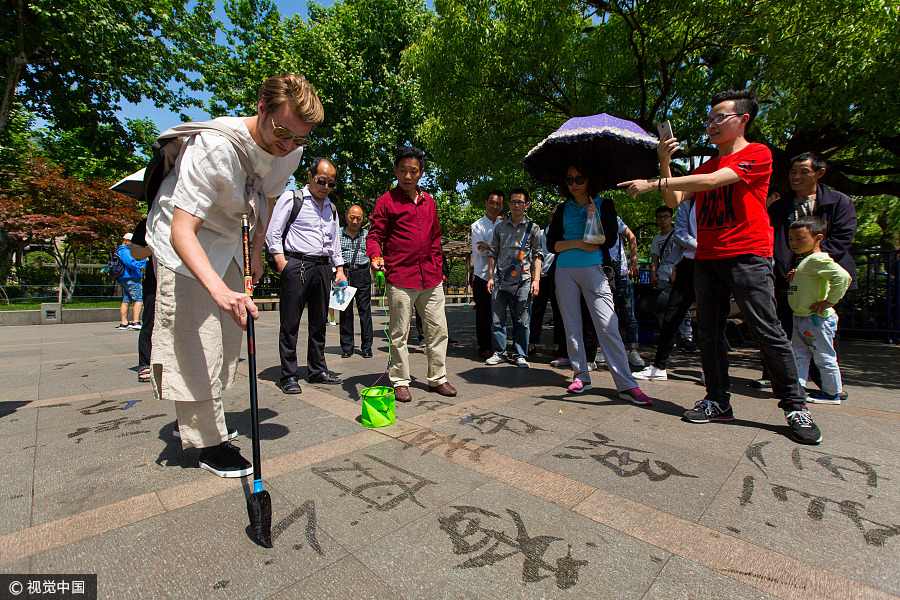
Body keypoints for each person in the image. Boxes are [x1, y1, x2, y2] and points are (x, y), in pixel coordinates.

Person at [619, 88, 823, 445]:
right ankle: (717, 399)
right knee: (709, 332)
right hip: (707, 258)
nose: (711, 125)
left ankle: (795, 404)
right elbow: (676, 198)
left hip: (748, 255)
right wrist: (664, 163)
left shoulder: (758, 154)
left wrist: (653, 182)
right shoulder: (706, 164)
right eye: (708, 120)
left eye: (719, 118)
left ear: (743, 120)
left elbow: (714, 182)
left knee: (766, 329)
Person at [146, 73, 324, 477]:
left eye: (299, 139)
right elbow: (181, 231)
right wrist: (220, 292)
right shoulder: (214, 146)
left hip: (231, 239)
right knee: (198, 341)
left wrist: (257, 252)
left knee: (227, 341)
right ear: (261, 107)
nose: (288, 146)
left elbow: (271, 197)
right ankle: (209, 443)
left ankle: (195, 419)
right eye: (281, 132)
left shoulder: (290, 150)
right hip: (185, 240)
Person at [545, 164, 651, 405]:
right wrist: (578, 243)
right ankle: (581, 375)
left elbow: (608, 240)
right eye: (569, 179)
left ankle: (627, 384)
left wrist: (594, 216)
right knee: (572, 326)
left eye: (579, 178)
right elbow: (553, 245)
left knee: (608, 325)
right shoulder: (563, 209)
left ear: (590, 179)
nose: (574, 184)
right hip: (564, 271)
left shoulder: (605, 205)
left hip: (595, 269)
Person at [761, 152, 857, 396]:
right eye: (793, 172)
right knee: (789, 333)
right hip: (789, 279)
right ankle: (793, 384)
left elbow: (842, 239)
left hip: (823, 278)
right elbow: (774, 241)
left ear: (819, 173)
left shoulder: (838, 202)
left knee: (822, 335)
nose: (796, 177)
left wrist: (810, 264)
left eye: (804, 171)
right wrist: (784, 270)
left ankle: (830, 386)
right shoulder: (780, 207)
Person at [367, 145, 457, 403]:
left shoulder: (429, 201)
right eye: (403, 170)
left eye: (413, 171)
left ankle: (438, 378)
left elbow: (436, 237)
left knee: (438, 329)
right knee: (398, 333)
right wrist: (375, 257)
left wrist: (439, 268)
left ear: (421, 173)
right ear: (395, 170)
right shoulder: (386, 201)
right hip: (400, 277)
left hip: (430, 277)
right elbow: (375, 235)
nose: (408, 176)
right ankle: (400, 380)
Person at [266, 157, 346, 394]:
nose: (326, 187)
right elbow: (273, 232)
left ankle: (317, 369)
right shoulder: (293, 199)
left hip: (323, 268)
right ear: (310, 177)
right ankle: (289, 375)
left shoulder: (331, 207)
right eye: (322, 181)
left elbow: (335, 242)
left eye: (331, 183)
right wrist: (282, 263)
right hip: (297, 265)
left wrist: (339, 269)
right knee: (290, 323)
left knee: (319, 322)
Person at [787, 216, 851, 404]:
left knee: (823, 356)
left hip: (816, 319)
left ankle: (832, 393)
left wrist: (828, 301)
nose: (794, 243)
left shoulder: (816, 259)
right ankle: (797, 388)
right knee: (800, 355)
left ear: (818, 238)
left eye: (800, 238)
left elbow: (843, 277)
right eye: (791, 239)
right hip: (802, 317)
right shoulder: (807, 261)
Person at [633, 195, 698, 381]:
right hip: (674, 269)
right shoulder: (686, 208)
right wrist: (658, 271)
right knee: (668, 311)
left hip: (702, 266)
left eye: (666, 216)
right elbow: (658, 255)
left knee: (700, 314)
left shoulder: (713, 203)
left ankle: (690, 343)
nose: (663, 219)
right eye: (659, 216)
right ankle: (659, 364)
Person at [485, 188, 542, 368]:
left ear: (526, 204)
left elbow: (537, 256)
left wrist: (536, 279)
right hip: (501, 279)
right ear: (508, 204)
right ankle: (499, 352)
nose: (516, 205)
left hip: (523, 280)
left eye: (520, 202)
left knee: (522, 319)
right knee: (497, 318)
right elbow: (493, 253)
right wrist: (491, 277)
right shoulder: (500, 227)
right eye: (513, 202)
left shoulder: (533, 228)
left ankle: (520, 354)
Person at [471, 190, 505, 358]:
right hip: (482, 276)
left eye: (498, 204)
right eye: (491, 202)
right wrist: (497, 248)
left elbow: (507, 250)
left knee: (499, 314)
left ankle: (499, 346)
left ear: (502, 206)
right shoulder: (477, 226)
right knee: (483, 313)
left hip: (502, 276)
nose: (494, 206)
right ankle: (484, 346)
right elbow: (481, 252)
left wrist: (490, 245)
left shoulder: (504, 226)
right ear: (485, 203)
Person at [339, 204, 374, 358]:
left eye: (358, 219)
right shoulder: (337, 234)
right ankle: (347, 347)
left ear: (362, 220)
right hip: (343, 274)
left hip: (362, 273)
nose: (354, 221)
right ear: (346, 216)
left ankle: (367, 347)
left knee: (365, 311)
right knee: (345, 312)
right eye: (352, 217)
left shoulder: (367, 235)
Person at [609, 216, 645, 366]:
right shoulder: (587, 219)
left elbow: (631, 236)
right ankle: (605, 350)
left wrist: (633, 259)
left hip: (622, 273)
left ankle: (633, 350)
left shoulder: (614, 219)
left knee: (628, 313)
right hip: (601, 272)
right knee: (605, 315)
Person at [116, 233, 147, 331]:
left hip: (125, 278)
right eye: (132, 242)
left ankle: (124, 322)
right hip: (131, 278)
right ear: (126, 240)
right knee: (139, 299)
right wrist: (144, 262)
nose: (133, 244)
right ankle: (136, 321)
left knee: (126, 300)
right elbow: (131, 263)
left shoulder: (120, 251)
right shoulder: (124, 251)